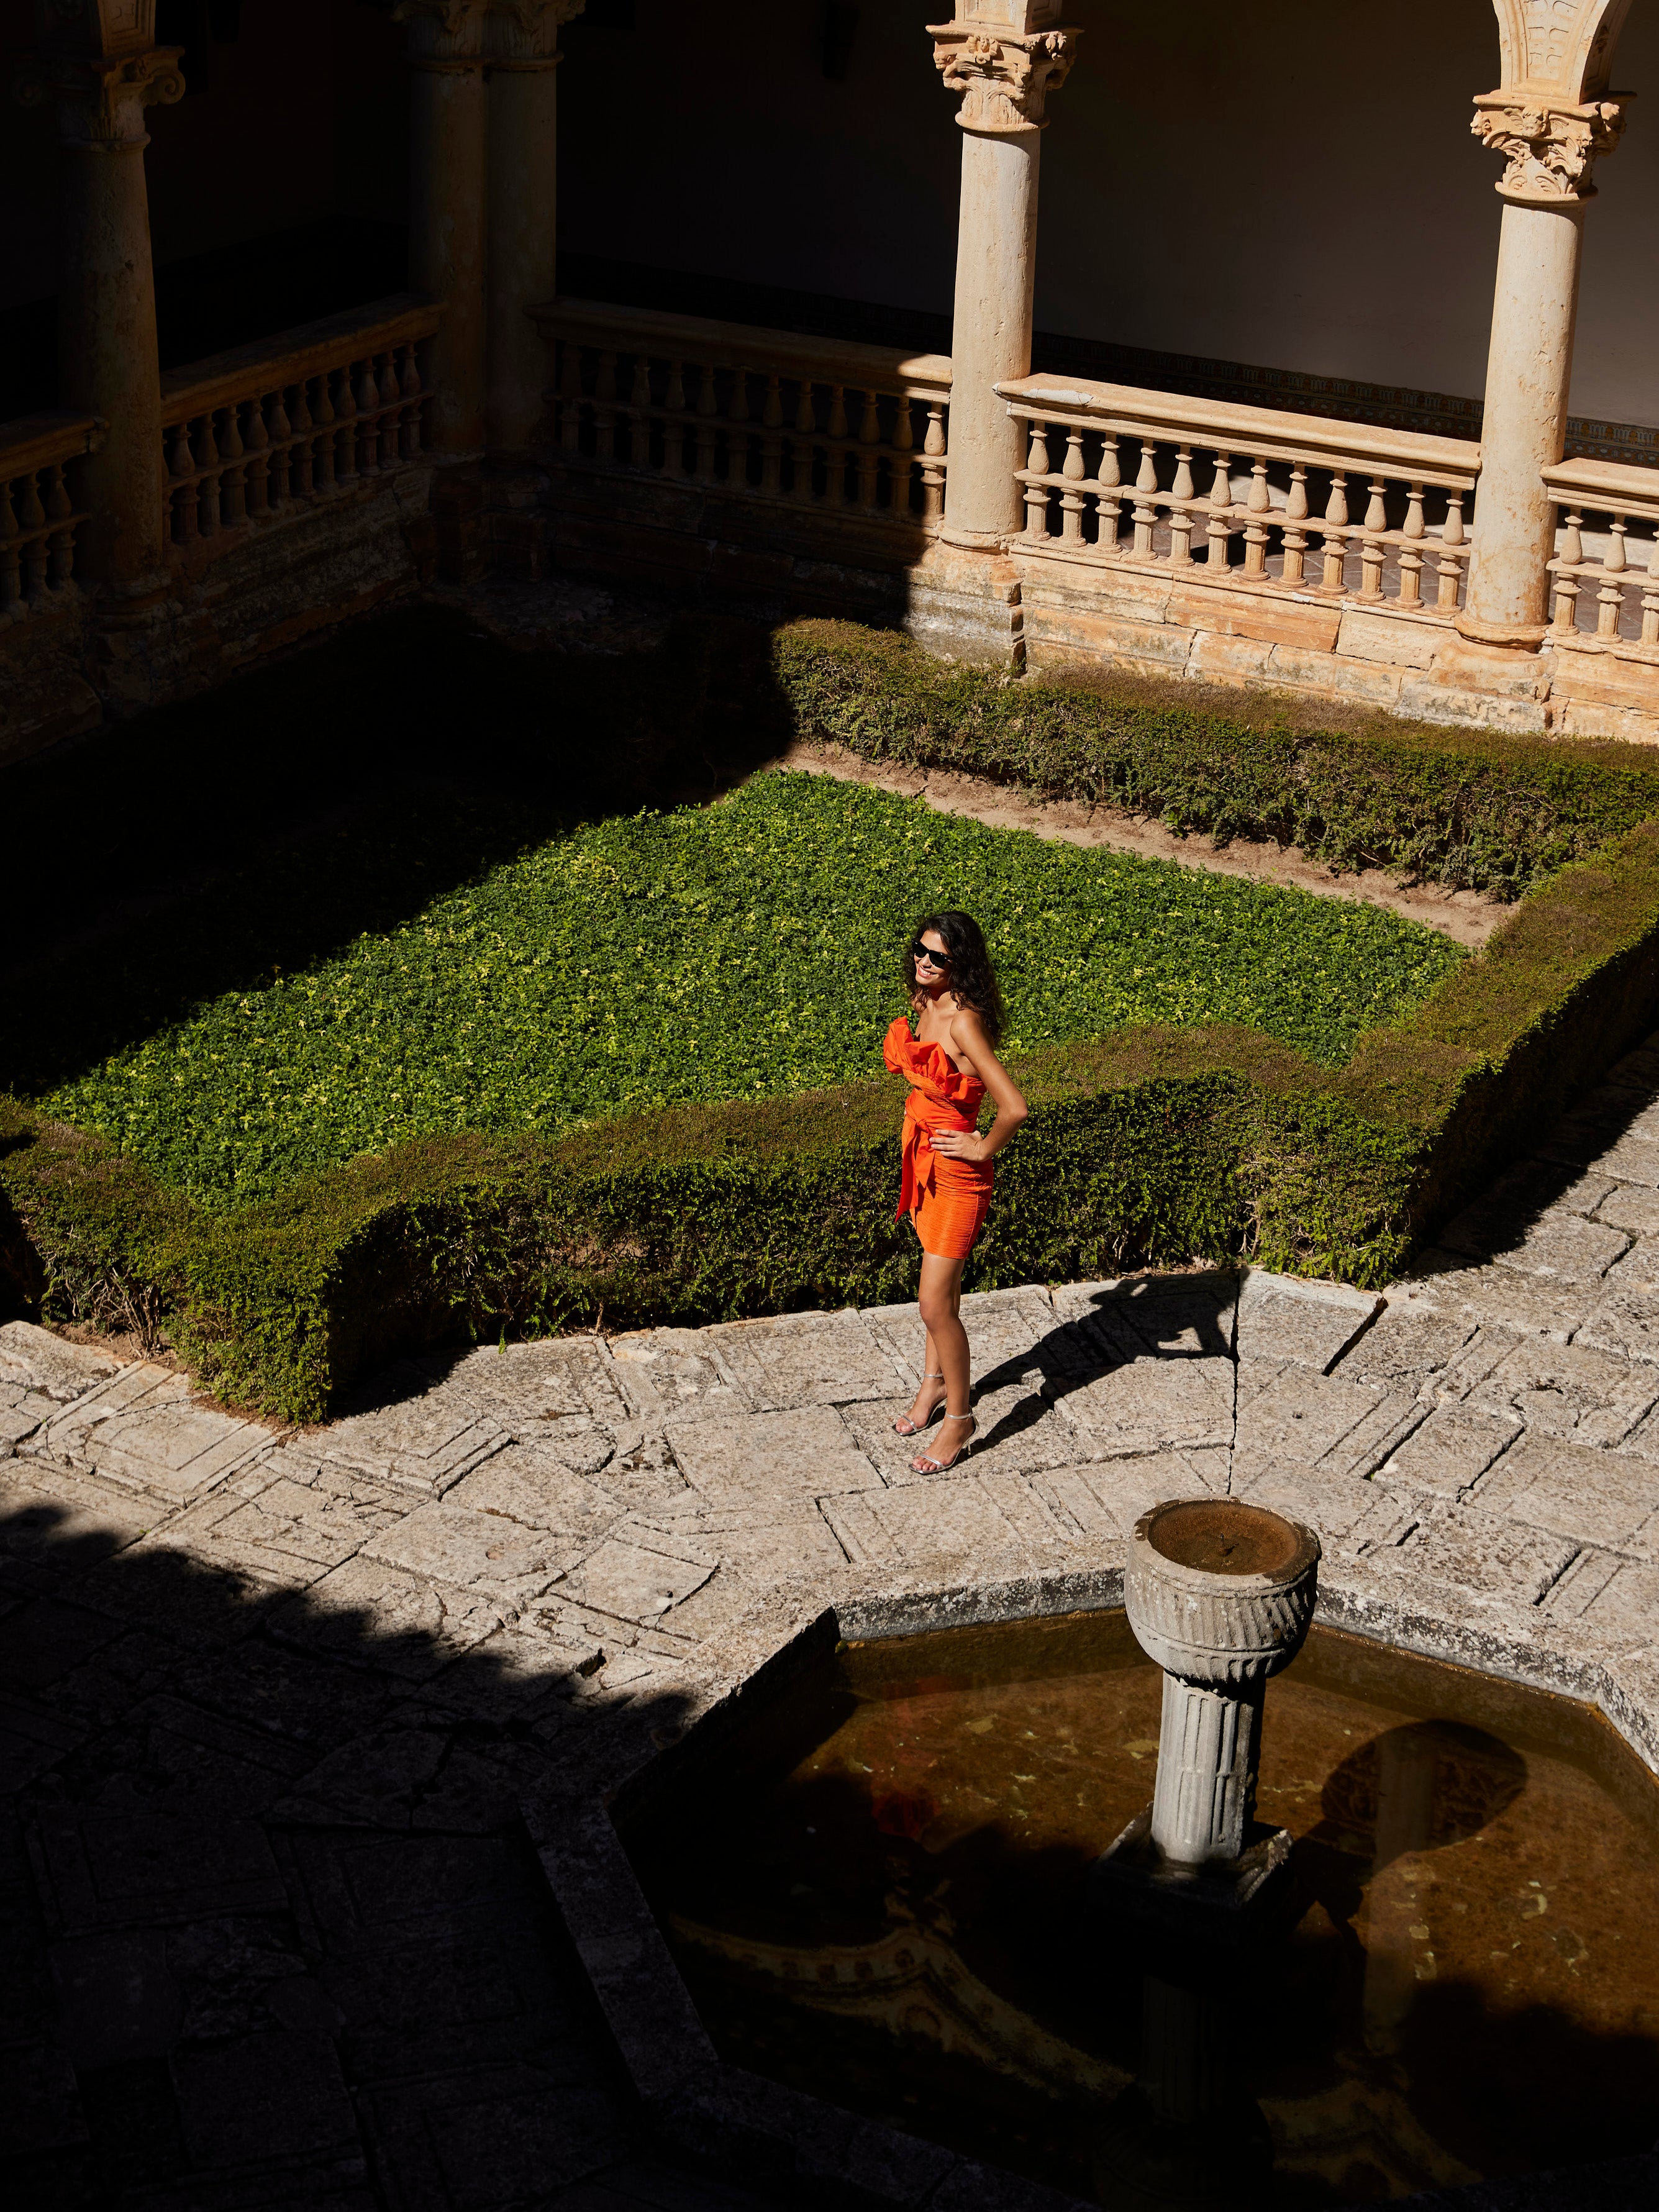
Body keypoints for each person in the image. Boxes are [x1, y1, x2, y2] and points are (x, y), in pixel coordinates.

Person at [881, 911, 1029, 1474]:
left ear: (959, 963)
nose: (923, 961)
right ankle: (932, 1386)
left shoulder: (965, 1023)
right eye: (920, 950)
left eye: (938, 957)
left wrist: (982, 1146)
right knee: (939, 1298)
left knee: (932, 1303)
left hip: (959, 1177)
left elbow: (1013, 1107)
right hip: (924, 1163)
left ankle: (960, 1420)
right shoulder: (926, 1004)